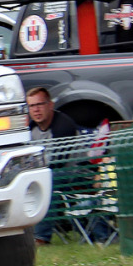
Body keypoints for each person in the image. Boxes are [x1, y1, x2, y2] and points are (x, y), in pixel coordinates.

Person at [27, 87, 86, 244]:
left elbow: (58, 163)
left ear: (50, 105)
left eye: (40, 104)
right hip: (46, 173)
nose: (36, 110)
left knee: (46, 182)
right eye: (32, 106)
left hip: (75, 175)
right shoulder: (31, 130)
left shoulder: (63, 127)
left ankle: (41, 237)